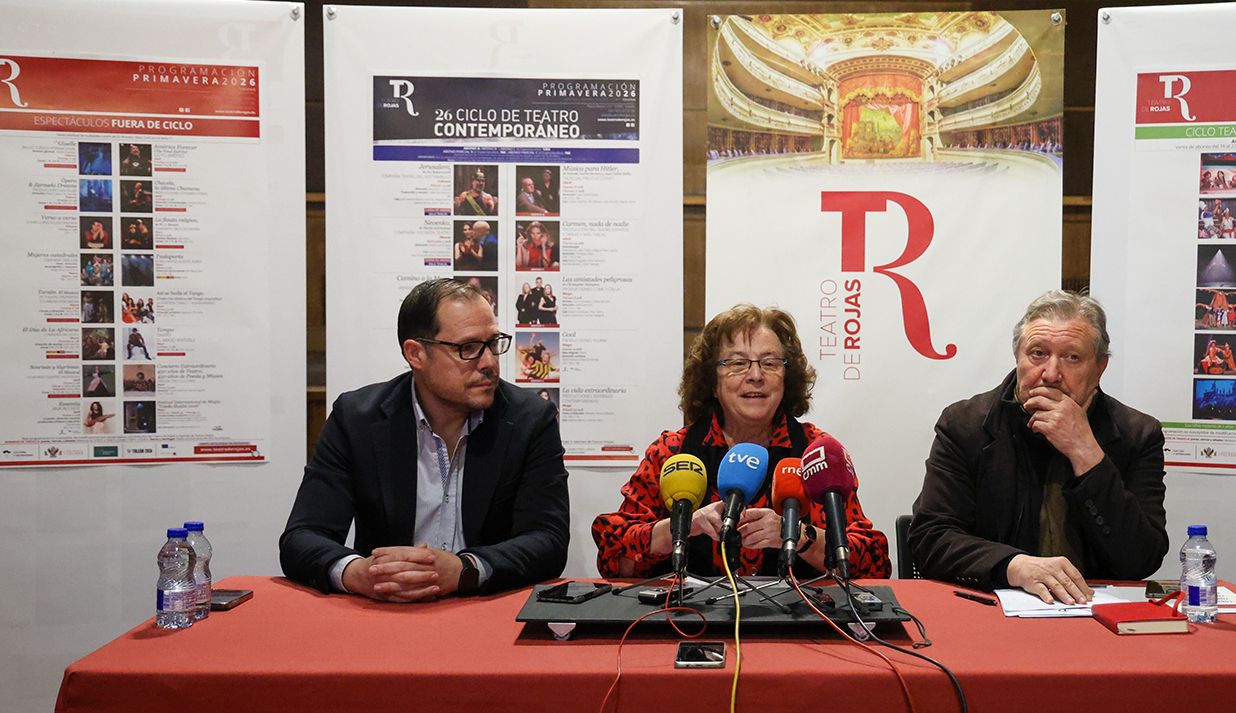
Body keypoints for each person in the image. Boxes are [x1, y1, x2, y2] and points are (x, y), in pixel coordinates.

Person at [280, 278, 568, 601]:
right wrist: (358, 573)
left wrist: (465, 570)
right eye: (468, 348)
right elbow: (301, 537)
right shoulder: (358, 418)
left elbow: (549, 541)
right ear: (416, 354)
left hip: (486, 612)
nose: (489, 362)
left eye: (493, 343)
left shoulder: (531, 420)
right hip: (386, 613)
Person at [593, 303, 890, 580]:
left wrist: (799, 536)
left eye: (770, 363)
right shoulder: (671, 452)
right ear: (712, 381)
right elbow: (612, 557)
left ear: (787, 378)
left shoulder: (816, 452)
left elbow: (874, 565)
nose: (756, 376)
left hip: (796, 630)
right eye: (737, 363)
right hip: (693, 628)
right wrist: (681, 527)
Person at [909, 290, 1167, 603]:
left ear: (1099, 369)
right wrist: (1013, 566)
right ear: (1018, 357)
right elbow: (930, 539)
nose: (1051, 374)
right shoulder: (966, 425)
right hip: (992, 611)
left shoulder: (1137, 434)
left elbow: (1141, 559)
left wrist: (1086, 453)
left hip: (1094, 614)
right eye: (1037, 354)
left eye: (1072, 357)